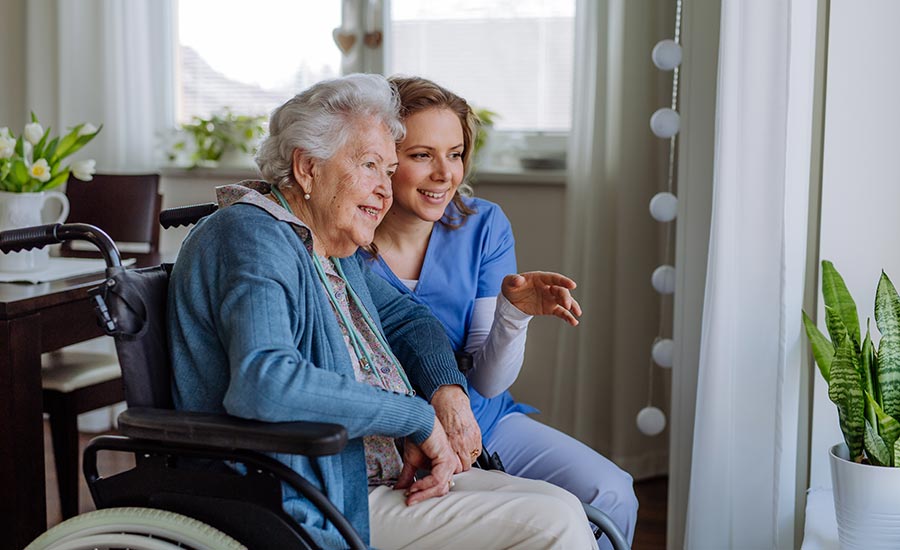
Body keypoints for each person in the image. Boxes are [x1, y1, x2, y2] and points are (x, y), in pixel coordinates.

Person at [167, 73, 597, 549]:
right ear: (307, 167)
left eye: (388, 171)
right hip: (306, 493)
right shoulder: (252, 235)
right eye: (370, 166)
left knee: (565, 506)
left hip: (372, 477)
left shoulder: (330, 250)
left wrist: (445, 393)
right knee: (552, 524)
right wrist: (414, 419)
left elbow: (410, 320)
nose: (384, 191)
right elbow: (265, 383)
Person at [358, 75, 639, 549]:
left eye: (456, 154)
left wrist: (514, 313)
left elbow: (487, 383)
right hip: (394, 437)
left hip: (484, 419)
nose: (445, 174)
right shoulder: (345, 233)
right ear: (383, 158)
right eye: (421, 155)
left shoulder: (482, 225)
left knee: (612, 494)